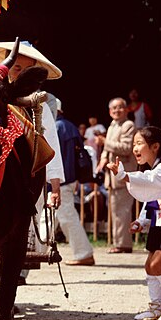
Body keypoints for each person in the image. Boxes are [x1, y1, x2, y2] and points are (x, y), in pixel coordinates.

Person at [0, 39, 65, 284]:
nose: (20, 75)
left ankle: (11, 279)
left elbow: (51, 147)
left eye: (27, 71)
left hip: (22, 184)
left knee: (16, 233)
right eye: (16, 68)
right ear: (4, 67)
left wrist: (54, 187)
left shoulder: (38, 106)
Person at [107, 126, 161, 320]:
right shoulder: (155, 169)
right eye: (133, 144)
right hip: (160, 223)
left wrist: (123, 175)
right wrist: (142, 221)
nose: (135, 148)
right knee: (149, 266)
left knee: (157, 264)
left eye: (139, 143)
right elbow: (153, 199)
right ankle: (155, 307)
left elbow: (148, 181)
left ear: (154, 146)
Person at [54, 102, 95, 266]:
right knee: (49, 218)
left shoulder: (56, 127)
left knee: (67, 217)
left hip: (61, 180)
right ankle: (33, 254)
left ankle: (84, 253)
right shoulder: (69, 126)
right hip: (69, 179)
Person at [97, 97, 136, 253]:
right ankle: (119, 242)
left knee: (123, 210)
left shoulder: (128, 125)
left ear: (126, 110)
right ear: (109, 111)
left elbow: (126, 148)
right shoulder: (113, 125)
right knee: (115, 210)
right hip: (112, 176)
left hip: (124, 173)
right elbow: (107, 149)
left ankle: (123, 244)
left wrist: (105, 142)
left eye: (120, 107)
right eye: (114, 108)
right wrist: (102, 160)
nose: (117, 110)